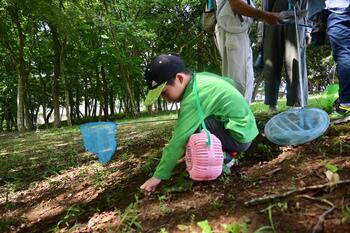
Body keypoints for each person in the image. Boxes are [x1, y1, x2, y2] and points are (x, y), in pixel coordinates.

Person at [140, 54, 258, 193]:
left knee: (193, 129)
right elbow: (229, 82)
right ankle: (227, 152)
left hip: (239, 137)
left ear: (179, 78)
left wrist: (158, 176)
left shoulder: (193, 98)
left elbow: (178, 140)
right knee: (197, 123)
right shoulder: (201, 78)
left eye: (165, 93)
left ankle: (223, 159)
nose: (165, 99)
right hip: (247, 128)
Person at [214, 0, 282, 104]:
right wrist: (267, 16)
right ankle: (238, 117)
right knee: (238, 82)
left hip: (238, 33)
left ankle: (243, 115)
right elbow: (236, 5)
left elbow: (245, 9)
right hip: (232, 33)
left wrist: (269, 17)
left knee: (247, 79)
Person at [262, 0, 311, 112]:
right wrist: (262, 35)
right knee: (271, 62)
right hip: (273, 20)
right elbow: (265, 7)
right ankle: (271, 104)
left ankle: (296, 102)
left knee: (295, 61)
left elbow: (308, 5)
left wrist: (308, 30)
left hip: (296, 20)